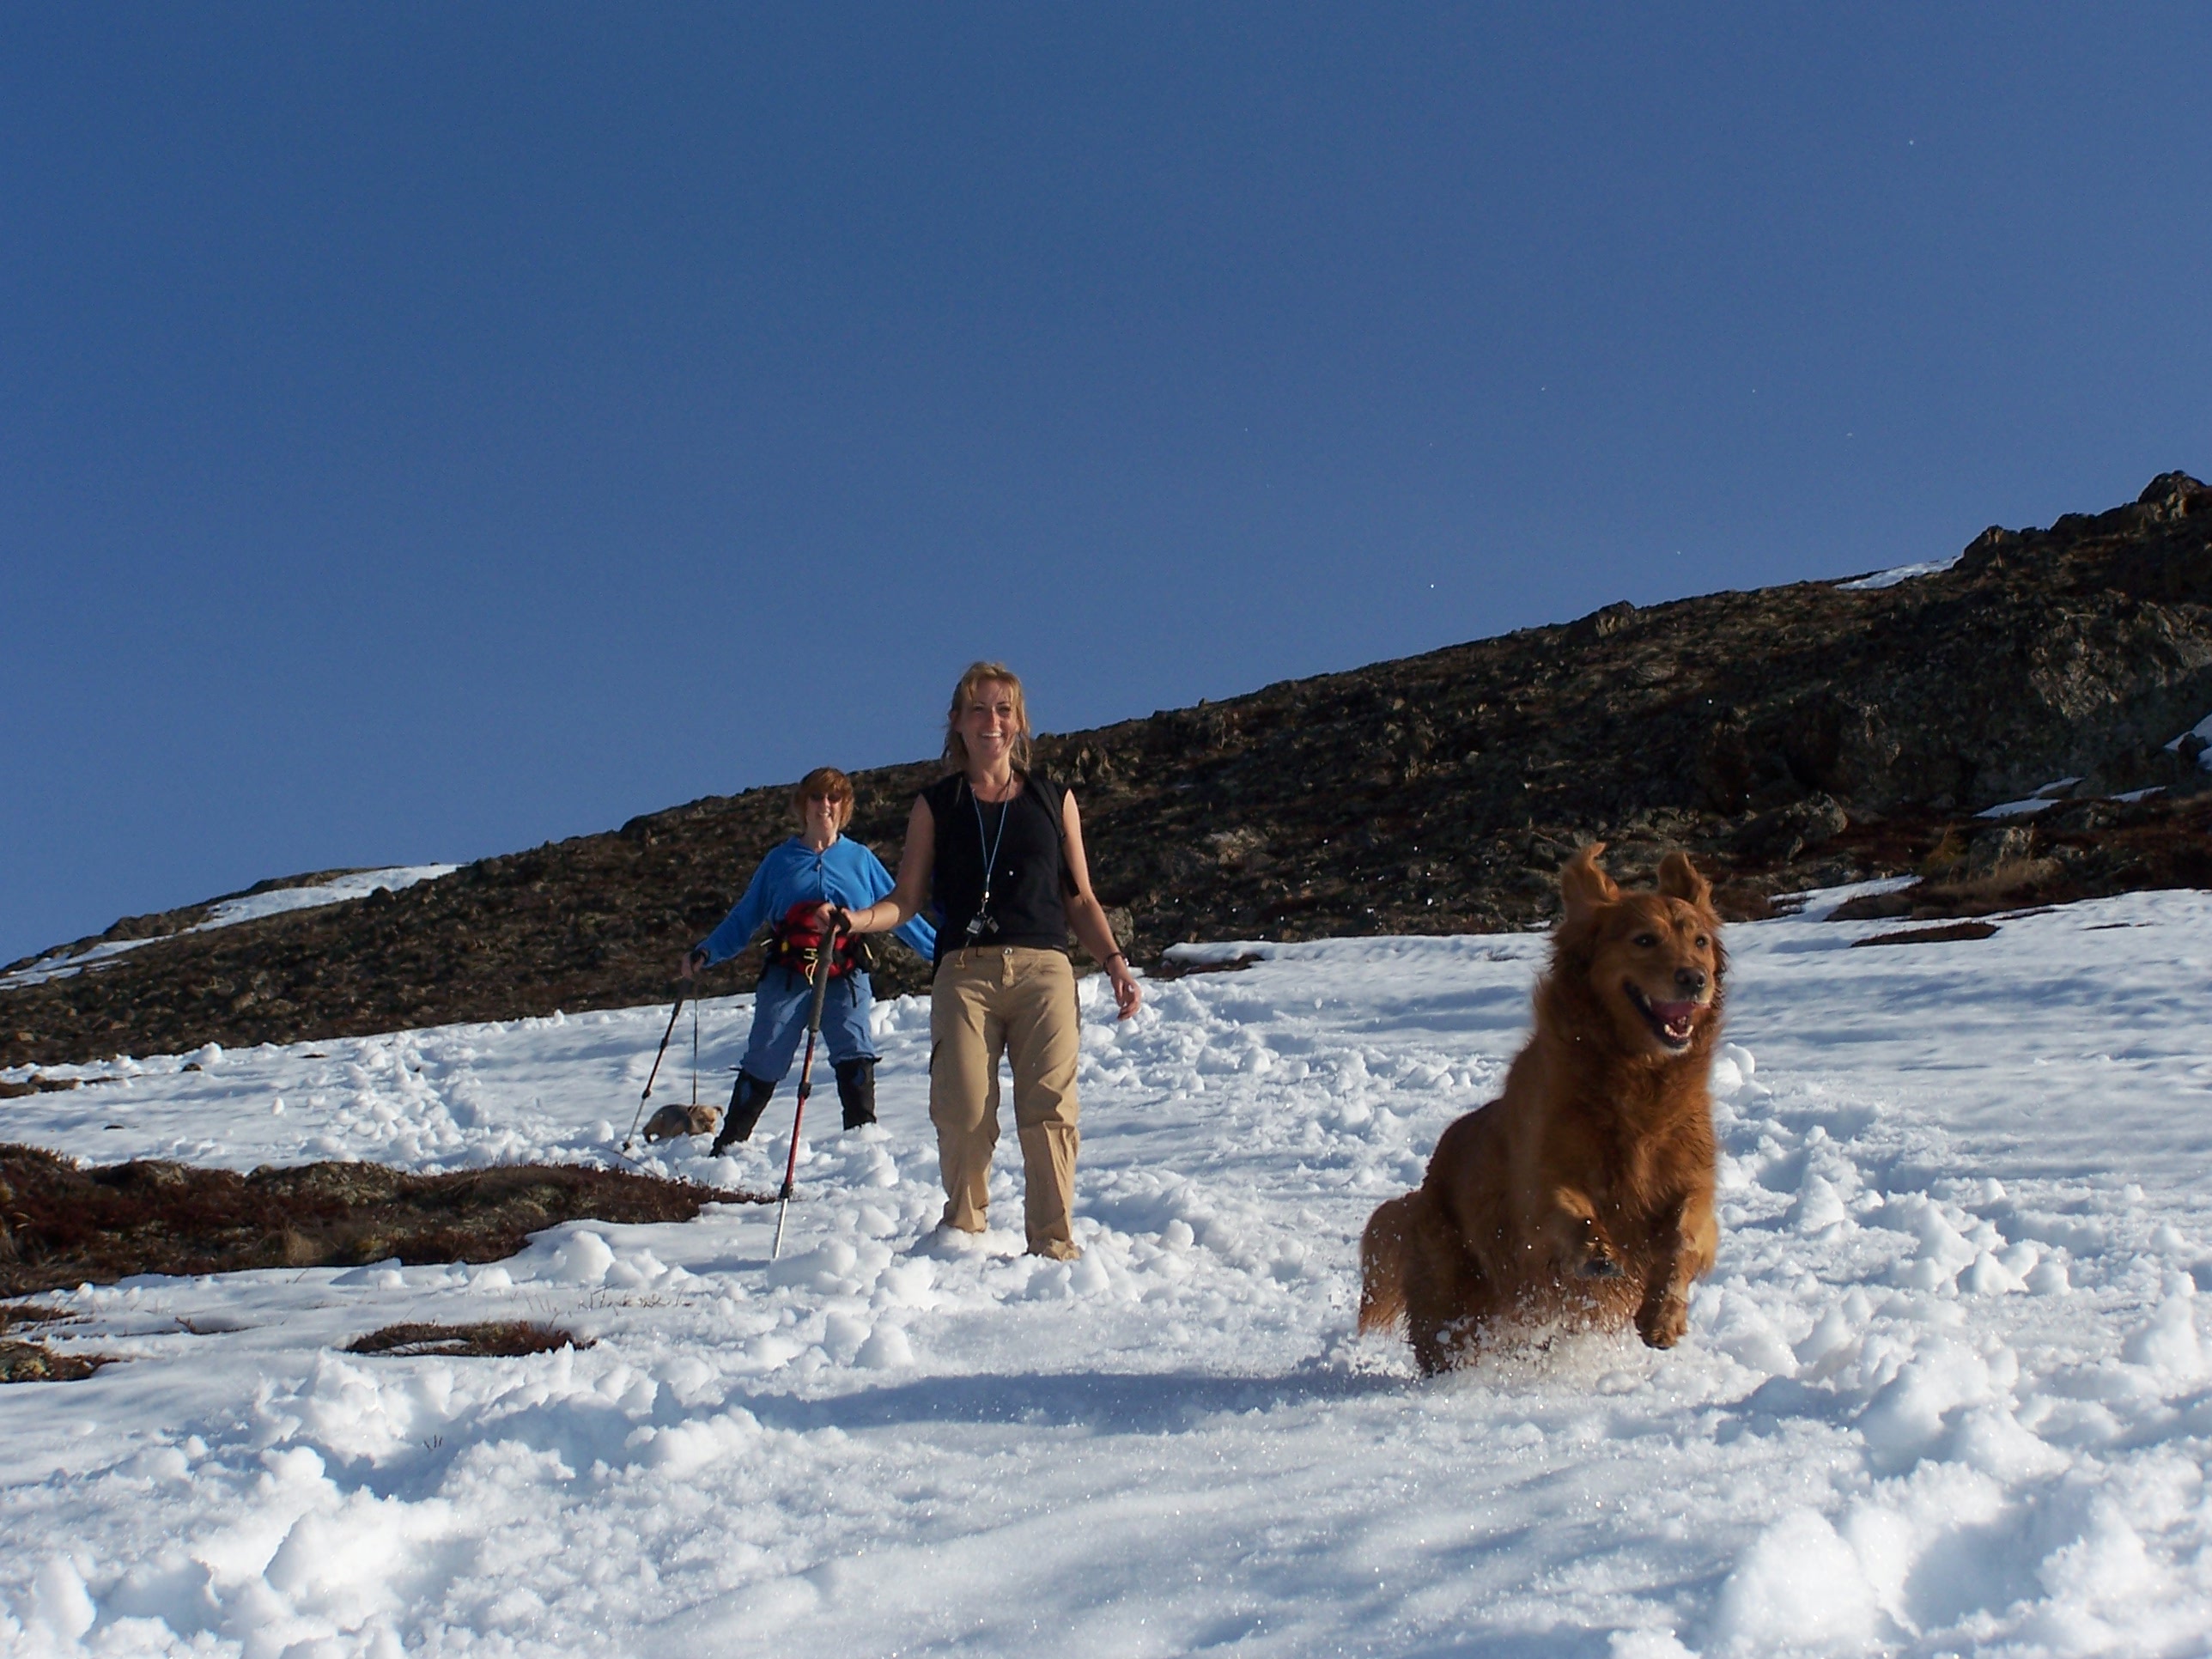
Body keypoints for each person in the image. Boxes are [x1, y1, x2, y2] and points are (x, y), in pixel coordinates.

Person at [830, 662, 1141, 1260]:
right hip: (965, 973)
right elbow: (906, 899)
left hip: (1044, 970)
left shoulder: (1053, 799)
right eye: (978, 709)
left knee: (1050, 1108)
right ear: (957, 722)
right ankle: (963, 1236)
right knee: (963, 1107)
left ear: (1019, 722)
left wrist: (1114, 961)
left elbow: (1080, 897)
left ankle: (1053, 1245)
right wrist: (856, 920)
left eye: (1004, 710)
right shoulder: (936, 804)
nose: (991, 721)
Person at [681, 767, 935, 1156]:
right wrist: (707, 952)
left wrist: (939, 949)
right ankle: (729, 1146)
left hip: (846, 973)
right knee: (766, 1056)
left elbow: (899, 910)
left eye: (834, 798)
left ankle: (861, 1143)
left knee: (854, 1049)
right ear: (803, 805)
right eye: (816, 797)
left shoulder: (860, 859)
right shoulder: (779, 861)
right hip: (788, 973)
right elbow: (744, 917)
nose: (825, 805)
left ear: (845, 807)